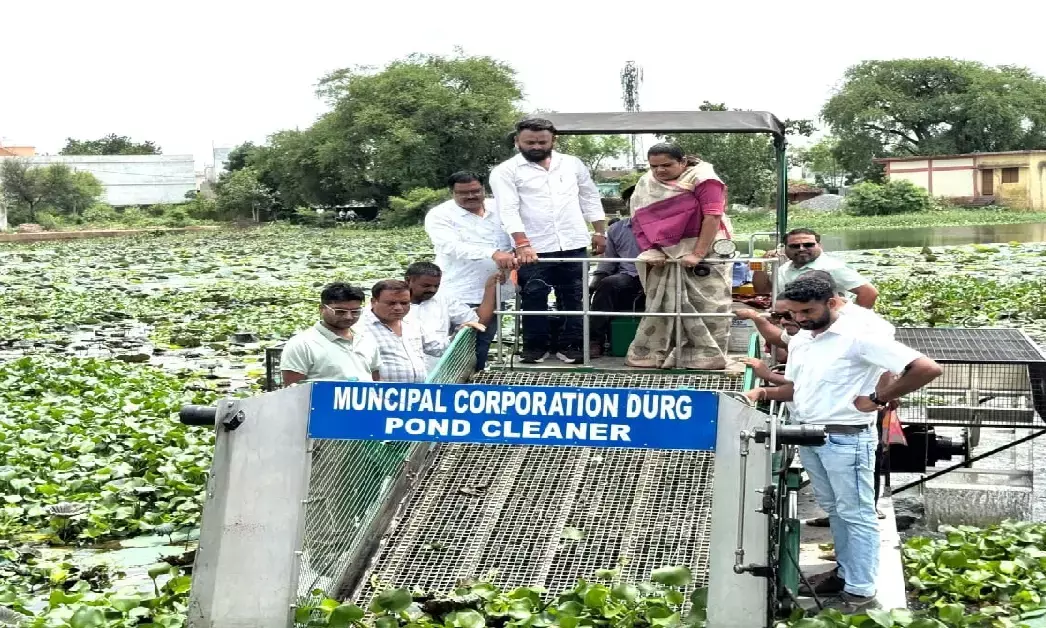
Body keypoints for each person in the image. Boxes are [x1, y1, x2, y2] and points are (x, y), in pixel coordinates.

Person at [745, 276, 943, 612]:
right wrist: (762, 391)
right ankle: (846, 573)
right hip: (807, 434)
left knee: (857, 514)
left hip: (847, 439)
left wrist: (878, 397)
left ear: (834, 303)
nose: (801, 318)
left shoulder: (859, 337)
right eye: (794, 313)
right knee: (837, 511)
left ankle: (861, 589)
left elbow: (926, 368)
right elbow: (798, 388)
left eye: (808, 310)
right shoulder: (803, 340)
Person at [490, 117, 607, 364]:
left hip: (574, 242)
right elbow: (508, 210)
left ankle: (572, 345)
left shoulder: (572, 164)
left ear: (553, 140)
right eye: (529, 142)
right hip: (533, 247)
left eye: (541, 142)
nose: (536, 146)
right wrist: (522, 243)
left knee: (575, 296)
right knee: (534, 296)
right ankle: (534, 347)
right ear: (517, 142)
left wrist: (599, 231)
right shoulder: (505, 171)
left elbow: (589, 197)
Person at [624, 143, 733, 370]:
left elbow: (712, 217)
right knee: (661, 306)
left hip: (705, 253)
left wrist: (697, 253)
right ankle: (653, 356)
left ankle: (706, 357)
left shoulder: (704, 178)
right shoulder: (647, 183)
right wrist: (651, 249)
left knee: (710, 307)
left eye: (667, 165)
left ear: (683, 162)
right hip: (663, 255)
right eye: (654, 166)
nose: (659, 171)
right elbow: (638, 219)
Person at [424, 171, 518, 370]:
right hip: (457, 292)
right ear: (452, 193)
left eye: (476, 191)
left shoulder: (500, 208)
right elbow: (451, 247)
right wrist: (493, 253)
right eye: (463, 193)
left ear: (484, 189)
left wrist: (516, 254)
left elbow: (515, 236)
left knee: (481, 347)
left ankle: (473, 384)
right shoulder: (439, 215)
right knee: (448, 349)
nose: (471, 196)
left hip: (494, 291)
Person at [403, 261, 502, 373]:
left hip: (437, 370)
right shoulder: (392, 302)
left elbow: (479, 321)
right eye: (426, 286)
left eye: (436, 286)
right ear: (408, 280)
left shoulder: (444, 299)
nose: (432, 290)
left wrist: (490, 288)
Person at [280, 283, 380, 386]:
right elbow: (292, 390)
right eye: (340, 312)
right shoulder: (302, 344)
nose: (348, 317)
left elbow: (375, 378)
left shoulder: (366, 339)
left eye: (355, 312)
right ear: (322, 309)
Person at [752, 228, 878, 307]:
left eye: (808, 245)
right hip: (793, 326)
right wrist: (762, 263)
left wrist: (854, 320)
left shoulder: (832, 267)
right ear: (785, 248)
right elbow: (762, 289)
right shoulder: (785, 268)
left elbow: (868, 293)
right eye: (795, 246)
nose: (802, 249)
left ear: (819, 246)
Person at [359, 279, 438, 384]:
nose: (398, 308)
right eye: (391, 303)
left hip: (418, 393)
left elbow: (433, 346)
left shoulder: (412, 322)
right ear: (374, 302)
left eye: (404, 303)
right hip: (378, 394)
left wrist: (460, 332)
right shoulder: (359, 326)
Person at [589, 216, 644, 357]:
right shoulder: (617, 228)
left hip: (661, 273)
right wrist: (597, 278)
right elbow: (609, 260)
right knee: (607, 285)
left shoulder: (667, 224)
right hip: (630, 274)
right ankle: (595, 341)